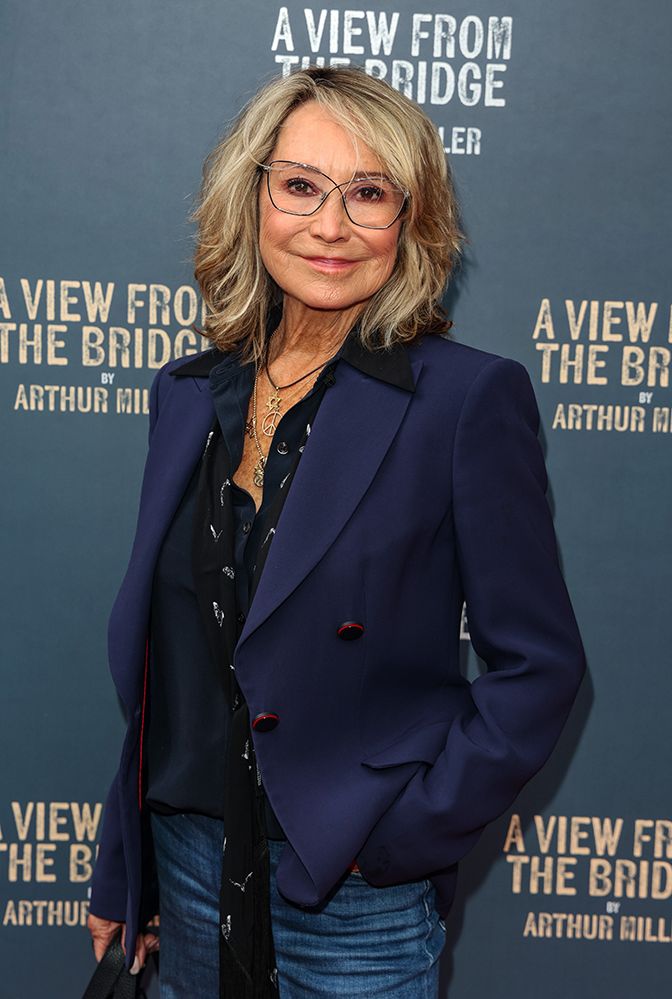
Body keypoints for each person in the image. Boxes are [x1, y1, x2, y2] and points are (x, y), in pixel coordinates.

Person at [86, 65, 586, 998]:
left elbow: (538, 668)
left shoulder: (466, 401)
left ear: (411, 220)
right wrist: (127, 865)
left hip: (352, 895)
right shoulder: (188, 392)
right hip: (186, 866)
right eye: (301, 186)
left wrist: (400, 838)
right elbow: (171, 667)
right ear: (253, 198)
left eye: (369, 193)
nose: (331, 224)